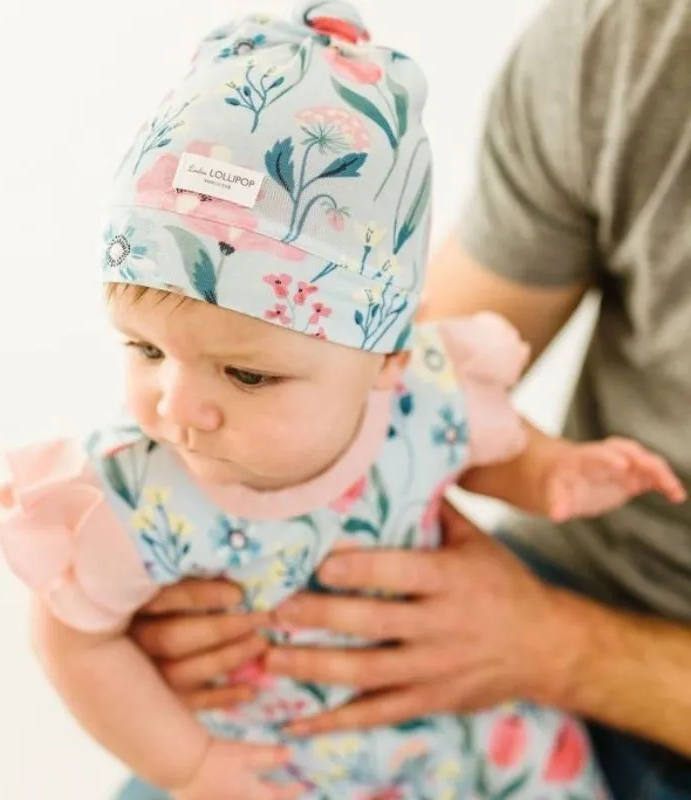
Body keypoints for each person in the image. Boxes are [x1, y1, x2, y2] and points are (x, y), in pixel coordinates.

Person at [116, 0, 691, 798]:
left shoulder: (403, 373)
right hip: (303, 706)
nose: (178, 406)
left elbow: (462, 425)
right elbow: (455, 411)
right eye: (143, 349)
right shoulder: (631, 39)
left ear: (387, 360)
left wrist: (554, 522)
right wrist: (133, 623)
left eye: (246, 374)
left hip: (503, 731)